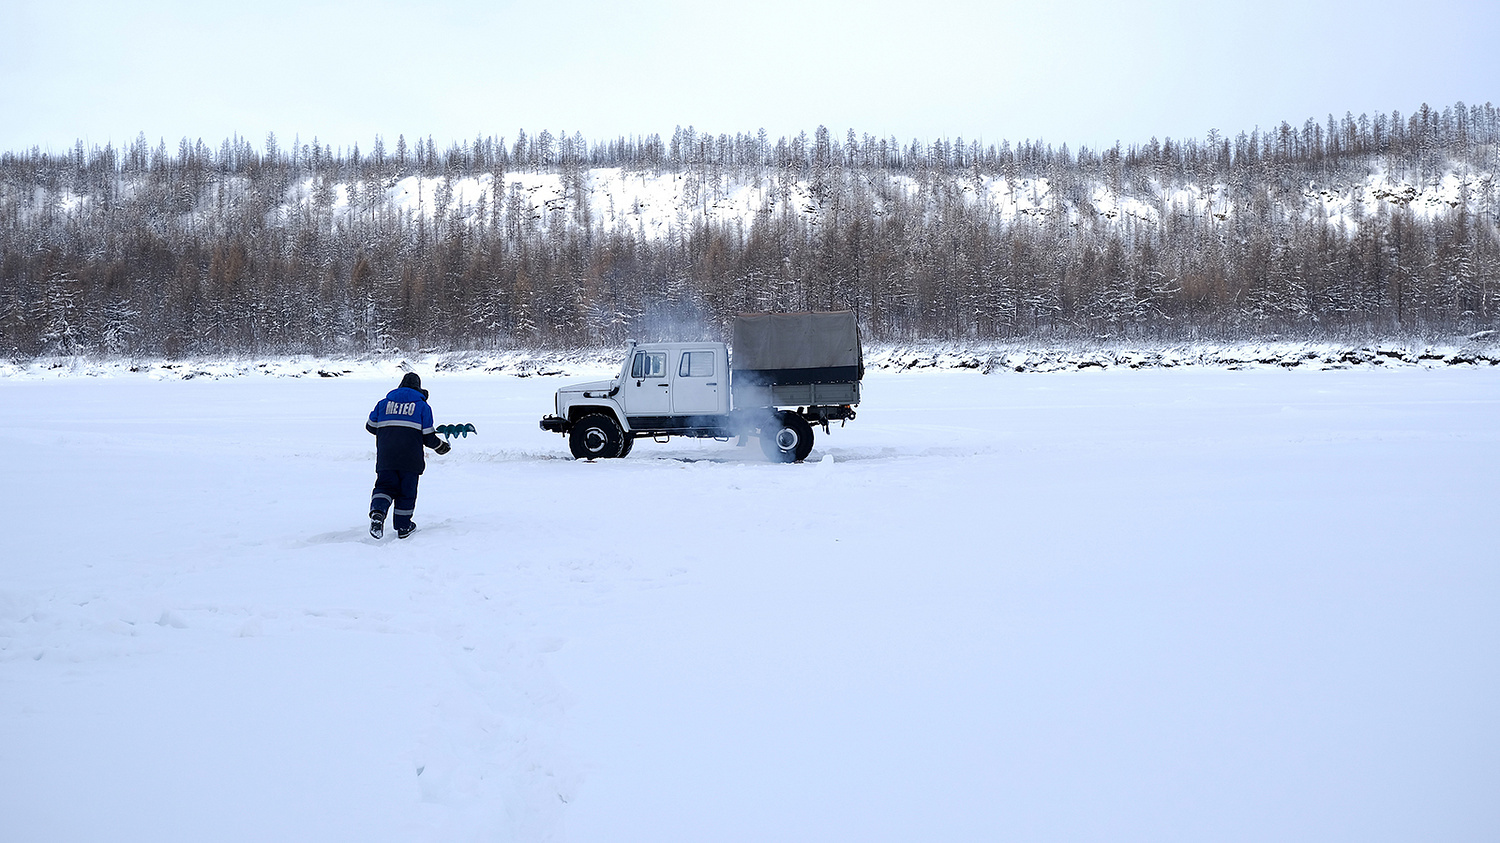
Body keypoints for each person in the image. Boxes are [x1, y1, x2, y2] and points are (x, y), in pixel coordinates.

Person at [366, 372, 449, 539]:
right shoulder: (422, 407)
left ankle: (378, 513)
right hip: (410, 459)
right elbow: (428, 436)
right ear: (419, 388)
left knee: (384, 487)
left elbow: (370, 426)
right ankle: (404, 527)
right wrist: (441, 446)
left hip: (386, 457)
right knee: (406, 491)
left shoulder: (383, 404)